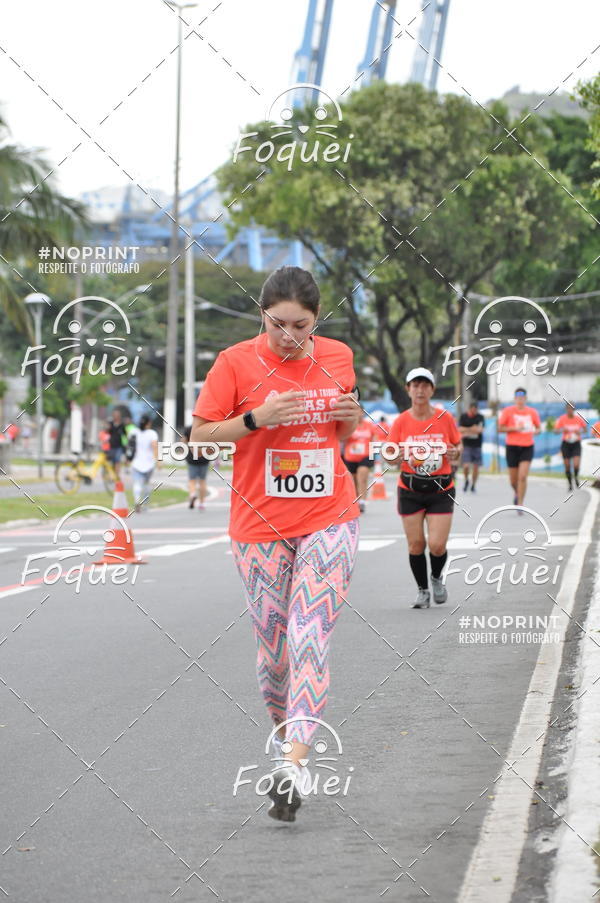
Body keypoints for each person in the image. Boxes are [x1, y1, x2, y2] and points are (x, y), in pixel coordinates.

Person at [190, 265, 362, 822]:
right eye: (278, 323)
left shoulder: (337, 357)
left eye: (301, 325)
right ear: (261, 314)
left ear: (318, 320)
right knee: (274, 655)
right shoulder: (234, 363)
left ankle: (294, 766)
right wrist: (255, 418)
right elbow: (199, 437)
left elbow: (341, 434)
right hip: (259, 523)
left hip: (328, 514)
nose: (290, 336)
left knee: (310, 634)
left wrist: (352, 419)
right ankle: (289, 739)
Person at [388, 368, 462, 610]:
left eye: (425, 385)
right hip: (410, 489)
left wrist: (455, 453)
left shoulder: (444, 418)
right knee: (416, 545)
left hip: (440, 489)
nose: (420, 390)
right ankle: (422, 590)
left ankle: (437, 578)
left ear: (432, 390)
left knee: (437, 545)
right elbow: (389, 456)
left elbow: (457, 448)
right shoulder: (400, 421)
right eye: (415, 385)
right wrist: (394, 456)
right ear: (408, 389)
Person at [498, 388, 541, 510]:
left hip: (527, 447)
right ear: (515, 399)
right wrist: (515, 428)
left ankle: (520, 503)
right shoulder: (508, 411)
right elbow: (500, 428)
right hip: (512, 447)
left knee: (522, 477)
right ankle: (517, 492)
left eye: (523, 398)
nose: (520, 400)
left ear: (525, 399)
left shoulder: (532, 412)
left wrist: (535, 431)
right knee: (513, 480)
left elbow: (538, 428)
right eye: (518, 398)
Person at [342, 416, 378, 513]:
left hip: (365, 455)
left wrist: (375, 452)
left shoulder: (369, 425)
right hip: (351, 456)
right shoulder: (349, 425)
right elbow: (342, 438)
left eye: (359, 412)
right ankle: (356, 500)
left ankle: (362, 501)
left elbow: (375, 438)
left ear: (362, 412)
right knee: (354, 481)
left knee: (362, 477)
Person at [554, 404, 586, 490]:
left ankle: (576, 477)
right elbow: (555, 431)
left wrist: (579, 432)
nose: (570, 410)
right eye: (568, 409)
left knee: (576, 465)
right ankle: (570, 484)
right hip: (566, 444)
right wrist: (561, 430)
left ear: (574, 409)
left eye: (571, 409)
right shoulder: (562, 419)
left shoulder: (578, 419)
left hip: (576, 443)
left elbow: (585, 429)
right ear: (566, 409)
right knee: (567, 465)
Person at [130, 415, 159, 513]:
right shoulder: (152, 433)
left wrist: (128, 459)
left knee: (137, 483)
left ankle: (137, 500)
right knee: (146, 483)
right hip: (149, 463)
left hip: (136, 462)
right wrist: (158, 460)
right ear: (148, 423)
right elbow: (154, 447)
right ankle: (145, 504)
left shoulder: (134, 432)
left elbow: (130, 446)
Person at [459, 400, 485, 492]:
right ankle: (466, 480)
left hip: (477, 445)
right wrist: (471, 429)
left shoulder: (480, 417)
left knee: (476, 467)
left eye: (476, 409)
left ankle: (473, 484)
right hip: (467, 445)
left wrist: (467, 432)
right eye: (473, 409)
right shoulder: (463, 417)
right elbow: (460, 429)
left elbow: (480, 430)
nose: (474, 411)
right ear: (469, 409)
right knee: (466, 466)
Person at [184, 425, 209, 509]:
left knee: (192, 480)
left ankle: (193, 494)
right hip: (204, 457)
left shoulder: (188, 429)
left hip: (192, 458)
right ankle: (202, 503)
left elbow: (184, 441)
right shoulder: (206, 428)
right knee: (202, 481)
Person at [107, 408, 126, 476]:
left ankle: (117, 475)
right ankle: (113, 474)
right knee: (113, 461)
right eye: (114, 415)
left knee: (117, 461)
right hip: (111, 445)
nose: (115, 416)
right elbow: (108, 432)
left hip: (119, 446)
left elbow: (125, 434)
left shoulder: (122, 425)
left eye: (117, 415)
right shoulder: (111, 424)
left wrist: (126, 444)